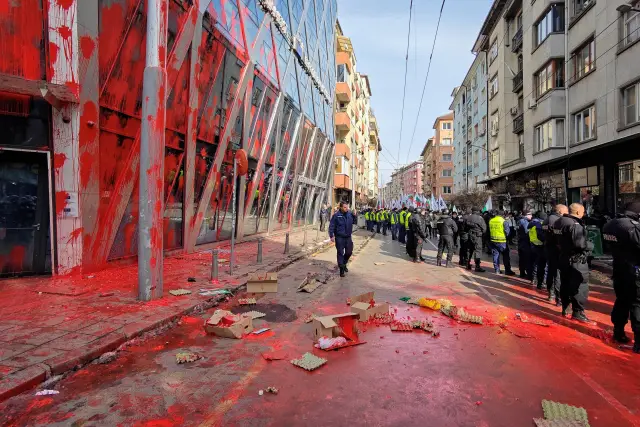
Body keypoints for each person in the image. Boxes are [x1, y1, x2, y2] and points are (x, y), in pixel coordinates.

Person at [602, 201, 640, 351]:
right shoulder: (633, 227)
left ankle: (618, 332)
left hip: (619, 269)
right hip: (634, 271)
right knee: (637, 304)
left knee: (621, 300)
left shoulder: (610, 225)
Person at [553, 203, 592, 322]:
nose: (584, 214)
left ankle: (566, 307)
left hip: (563, 257)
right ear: (578, 212)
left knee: (565, 283)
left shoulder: (559, 222)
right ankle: (578, 312)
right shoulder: (575, 224)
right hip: (576, 259)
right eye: (583, 211)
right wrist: (590, 245)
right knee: (580, 285)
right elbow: (580, 245)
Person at [542, 204, 568, 304]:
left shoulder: (547, 219)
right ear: (561, 211)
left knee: (551, 271)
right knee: (557, 274)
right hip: (556, 249)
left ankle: (551, 293)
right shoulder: (557, 220)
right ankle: (558, 297)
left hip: (548, 248)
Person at [328, 201, 357, 277]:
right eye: (344, 207)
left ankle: (344, 264)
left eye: (347, 207)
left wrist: (355, 215)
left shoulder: (350, 214)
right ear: (340, 207)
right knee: (340, 253)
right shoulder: (336, 216)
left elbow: (355, 222)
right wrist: (331, 236)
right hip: (339, 237)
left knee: (349, 252)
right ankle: (341, 269)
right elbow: (331, 226)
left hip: (348, 237)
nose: (346, 208)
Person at [488, 210, 516, 275]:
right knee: (506, 256)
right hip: (502, 241)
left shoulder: (491, 221)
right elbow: (507, 232)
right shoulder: (504, 221)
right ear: (503, 215)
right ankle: (507, 270)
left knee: (495, 255)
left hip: (493, 240)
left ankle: (497, 270)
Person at [528, 211, 548, 290]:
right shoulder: (539, 224)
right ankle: (541, 281)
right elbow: (541, 236)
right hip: (540, 246)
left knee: (536, 263)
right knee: (541, 265)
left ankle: (534, 279)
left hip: (533, 245)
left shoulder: (532, 223)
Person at [465, 207, 487, 272]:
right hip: (477, 236)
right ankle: (477, 266)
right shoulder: (480, 218)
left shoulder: (468, 217)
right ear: (477, 211)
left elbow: (466, 226)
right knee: (478, 250)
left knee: (469, 250)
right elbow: (484, 229)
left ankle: (467, 264)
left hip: (470, 235)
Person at [518, 211, 532, 279]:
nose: (531, 216)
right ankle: (528, 274)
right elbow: (527, 232)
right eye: (530, 214)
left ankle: (522, 273)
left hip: (521, 243)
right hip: (525, 243)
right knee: (527, 259)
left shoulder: (520, 221)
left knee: (522, 259)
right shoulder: (524, 221)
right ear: (526, 215)